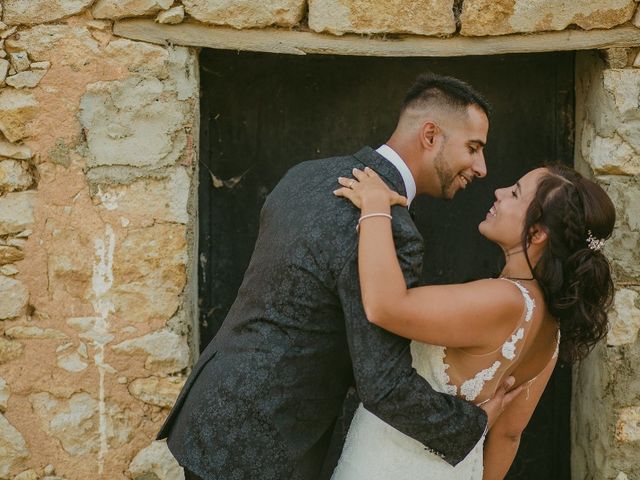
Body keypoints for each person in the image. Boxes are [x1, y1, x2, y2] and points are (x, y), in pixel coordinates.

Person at [157, 73, 519, 480]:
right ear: (431, 135)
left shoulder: (304, 175)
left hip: (211, 410)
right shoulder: (391, 229)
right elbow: (383, 384)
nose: (482, 167)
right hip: (269, 444)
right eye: (473, 148)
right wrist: (472, 424)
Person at [331, 163, 615, 479]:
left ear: (536, 233)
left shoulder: (505, 300)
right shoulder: (550, 329)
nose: (499, 192)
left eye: (515, 193)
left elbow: (385, 306)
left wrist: (374, 207)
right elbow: (508, 435)